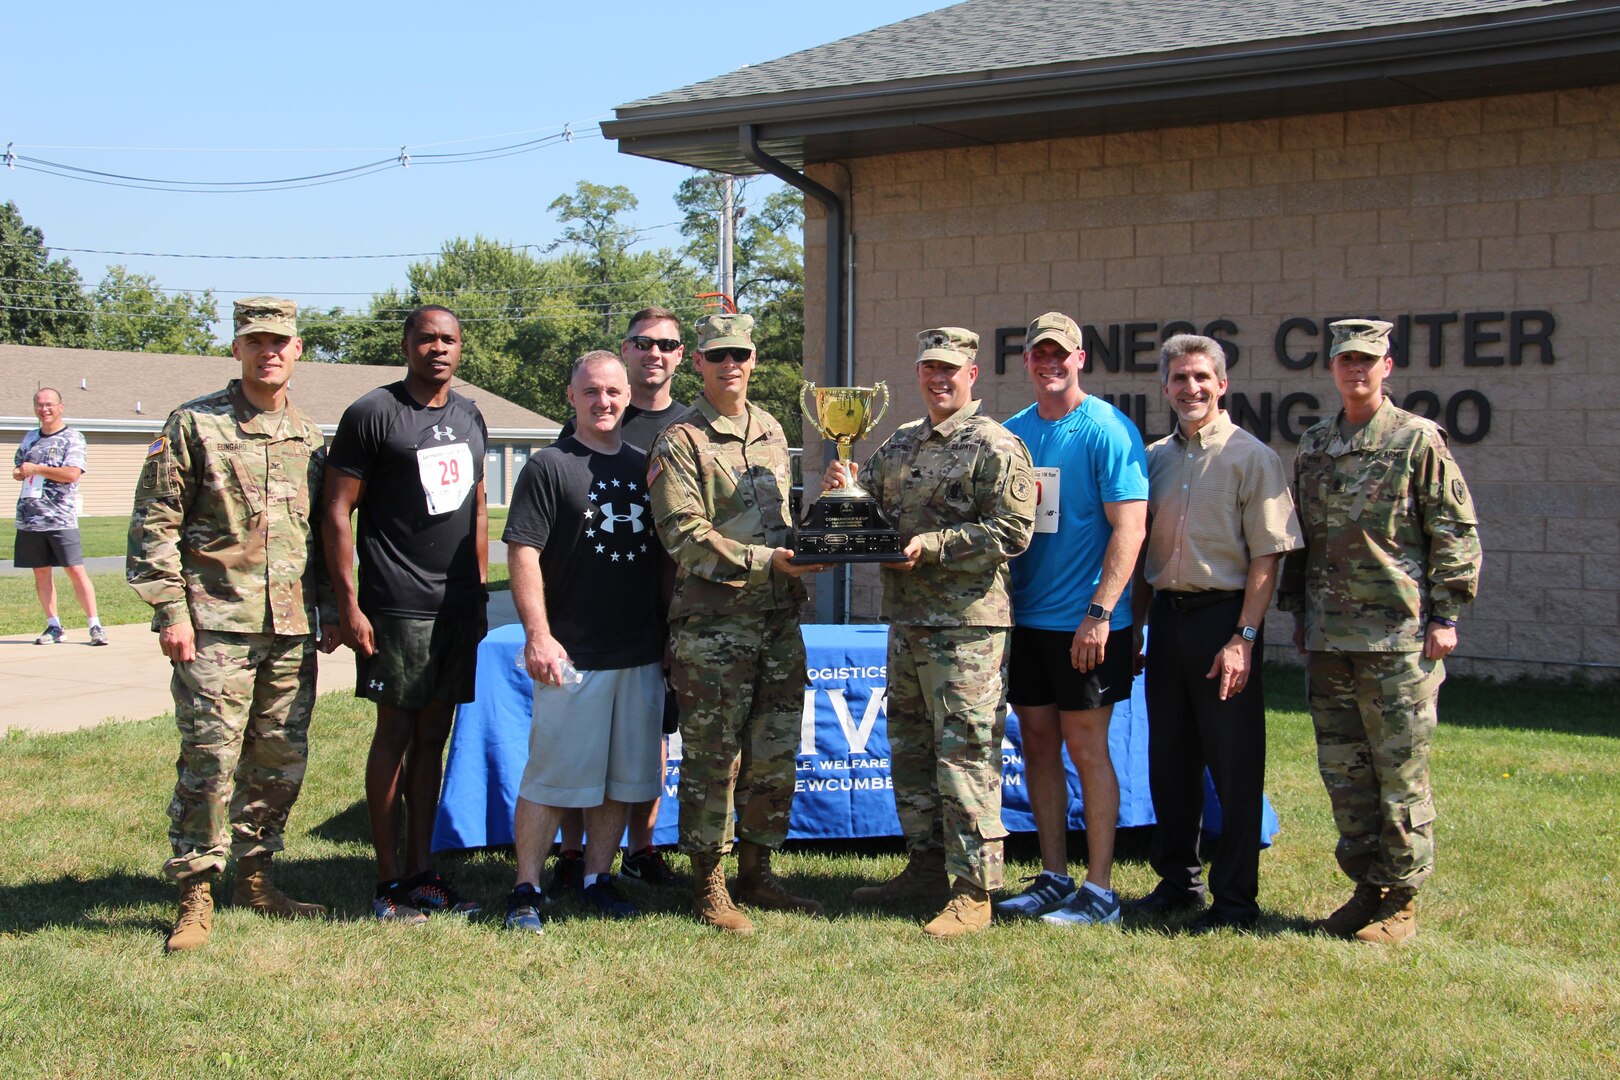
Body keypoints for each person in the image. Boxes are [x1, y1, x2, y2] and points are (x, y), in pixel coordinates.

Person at [127, 296, 338, 953]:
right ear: (237, 349)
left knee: (278, 760)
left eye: (280, 341)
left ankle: (256, 877)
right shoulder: (194, 425)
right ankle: (196, 891)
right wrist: (170, 612)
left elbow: (323, 536)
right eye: (256, 341)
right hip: (214, 622)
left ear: (298, 350)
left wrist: (326, 606)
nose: (268, 351)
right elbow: (154, 521)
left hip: (289, 628)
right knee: (211, 759)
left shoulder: (309, 437)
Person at [1278, 318, 1481, 945]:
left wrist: (1445, 616)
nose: (1356, 370)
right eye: (1346, 361)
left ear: (1387, 366)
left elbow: (1455, 530)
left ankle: (1402, 900)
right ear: (1333, 368)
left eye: (1367, 360)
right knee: (1346, 774)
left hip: (1399, 638)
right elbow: (1301, 541)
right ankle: (1367, 887)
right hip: (1332, 639)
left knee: (1400, 774)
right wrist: (1299, 615)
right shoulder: (1314, 445)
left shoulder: (1417, 440)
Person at [832, 327, 1035, 938]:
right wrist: (843, 497)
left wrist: (936, 544)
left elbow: (1013, 530)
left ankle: (974, 891)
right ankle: (925, 868)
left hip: (967, 630)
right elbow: (870, 505)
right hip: (908, 622)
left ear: (972, 374)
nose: (938, 378)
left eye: (950, 368)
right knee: (913, 751)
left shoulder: (996, 445)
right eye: (928, 368)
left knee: (966, 754)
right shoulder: (900, 443)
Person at [647, 311, 829, 935]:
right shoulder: (681, 440)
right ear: (697, 362)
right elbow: (682, 535)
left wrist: (827, 526)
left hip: (779, 620)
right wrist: (769, 561)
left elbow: (783, 519)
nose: (731, 366)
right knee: (713, 758)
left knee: (774, 755)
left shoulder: (774, 429)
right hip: (714, 627)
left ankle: (757, 871)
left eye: (741, 355)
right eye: (718, 355)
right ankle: (709, 884)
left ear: (754, 360)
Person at [1129, 334, 1302, 932]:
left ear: (1222, 384)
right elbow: (1141, 549)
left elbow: (1267, 557)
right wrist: (1135, 627)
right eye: (1179, 378)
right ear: (1166, 387)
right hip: (1167, 623)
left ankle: (1235, 900)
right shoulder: (1154, 459)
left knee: (1233, 767)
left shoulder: (1252, 458)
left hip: (1223, 621)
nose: (1191, 388)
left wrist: (1244, 638)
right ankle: (1177, 883)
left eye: (1201, 377)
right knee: (1169, 762)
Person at [323, 305, 489, 923]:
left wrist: (475, 594)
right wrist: (349, 604)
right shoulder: (372, 413)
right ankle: (387, 881)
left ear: (460, 348)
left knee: (432, 738)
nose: (438, 348)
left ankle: (423, 871)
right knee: (394, 735)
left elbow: (475, 508)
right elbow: (336, 512)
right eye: (426, 339)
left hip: (453, 608)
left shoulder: (469, 415)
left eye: (448, 339)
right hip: (394, 605)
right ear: (407, 345)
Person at [499, 351, 668, 933]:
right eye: (592, 391)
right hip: (572, 655)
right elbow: (522, 553)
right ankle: (526, 887)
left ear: (628, 396)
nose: (604, 402)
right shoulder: (549, 465)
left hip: (639, 651)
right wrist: (538, 635)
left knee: (623, 780)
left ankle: (598, 877)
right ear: (571, 396)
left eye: (614, 392)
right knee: (551, 776)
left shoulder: (647, 465)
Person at [998, 311, 1148, 928]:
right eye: (1039, 354)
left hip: (1089, 625)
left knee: (1087, 748)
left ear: (1080, 358)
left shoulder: (1110, 429)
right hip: (1028, 622)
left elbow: (1130, 527)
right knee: (1036, 745)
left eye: (1060, 353)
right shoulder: (1011, 434)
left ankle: (1102, 889)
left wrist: (1100, 613)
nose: (1049, 363)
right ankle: (1055, 876)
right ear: (1027, 362)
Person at [548, 306, 689, 893]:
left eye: (667, 344)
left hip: (666, 611)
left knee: (651, 735)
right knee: (585, 743)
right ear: (627, 353)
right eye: (643, 342)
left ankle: (643, 848)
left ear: (683, 356)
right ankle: (574, 853)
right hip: (594, 621)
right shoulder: (595, 418)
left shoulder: (692, 426)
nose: (655, 352)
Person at [13, 387, 107, 646]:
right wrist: (21, 472)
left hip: (60, 518)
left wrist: (37, 469)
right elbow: (18, 468)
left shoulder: (72, 437)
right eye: (40, 405)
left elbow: (72, 474)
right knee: (41, 572)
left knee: (75, 570)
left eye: (49, 404)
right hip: (30, 517)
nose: (45, 409)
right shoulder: (30, 438)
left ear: (60, 407)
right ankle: (53, 625)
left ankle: (95, 625)